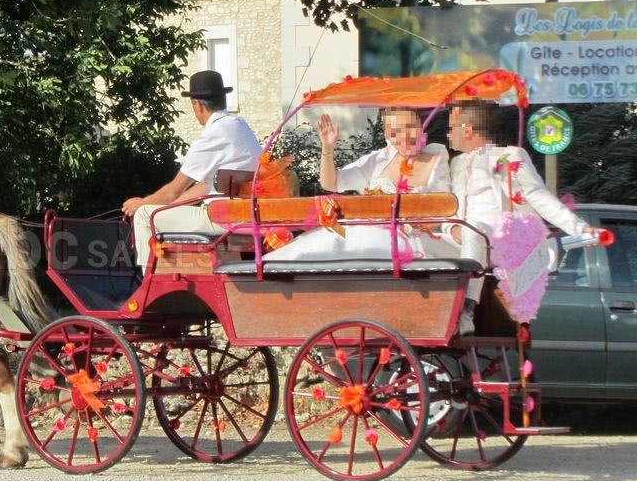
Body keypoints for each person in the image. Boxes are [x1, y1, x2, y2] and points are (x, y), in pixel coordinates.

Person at [440, 100, 603, 334]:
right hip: (460, 242)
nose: (448, 134)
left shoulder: (507, 156)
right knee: (416, 244)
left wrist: (580, 229)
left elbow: (539, 197)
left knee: (473, 230)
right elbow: (448, 211)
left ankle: (466, 308)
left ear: (468, 130)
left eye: (452, 127)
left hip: (498, 244)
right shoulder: (456, 164)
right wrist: (449, 230)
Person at [265, 106, 451, 262]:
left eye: (410, 127)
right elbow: (331, 183)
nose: (405, 136)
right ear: (387, 134)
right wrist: (328, 149)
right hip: (366, 231)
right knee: (322, 244)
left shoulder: (436, 161)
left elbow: (443, 212)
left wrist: (408, 223)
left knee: (364, 245)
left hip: (411, 239)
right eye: (396, 132)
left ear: (420, 126)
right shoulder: (378, 160)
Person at [122, 70, 260, 271]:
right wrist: (170, 207)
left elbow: (174, 190)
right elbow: (206, 186)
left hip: (221, 219)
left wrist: (142, 203)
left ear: (198, 105)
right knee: (156, 211)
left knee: (144, 215)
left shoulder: (211, 135)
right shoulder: (239, 126)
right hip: (245, 215)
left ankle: (147, 284)